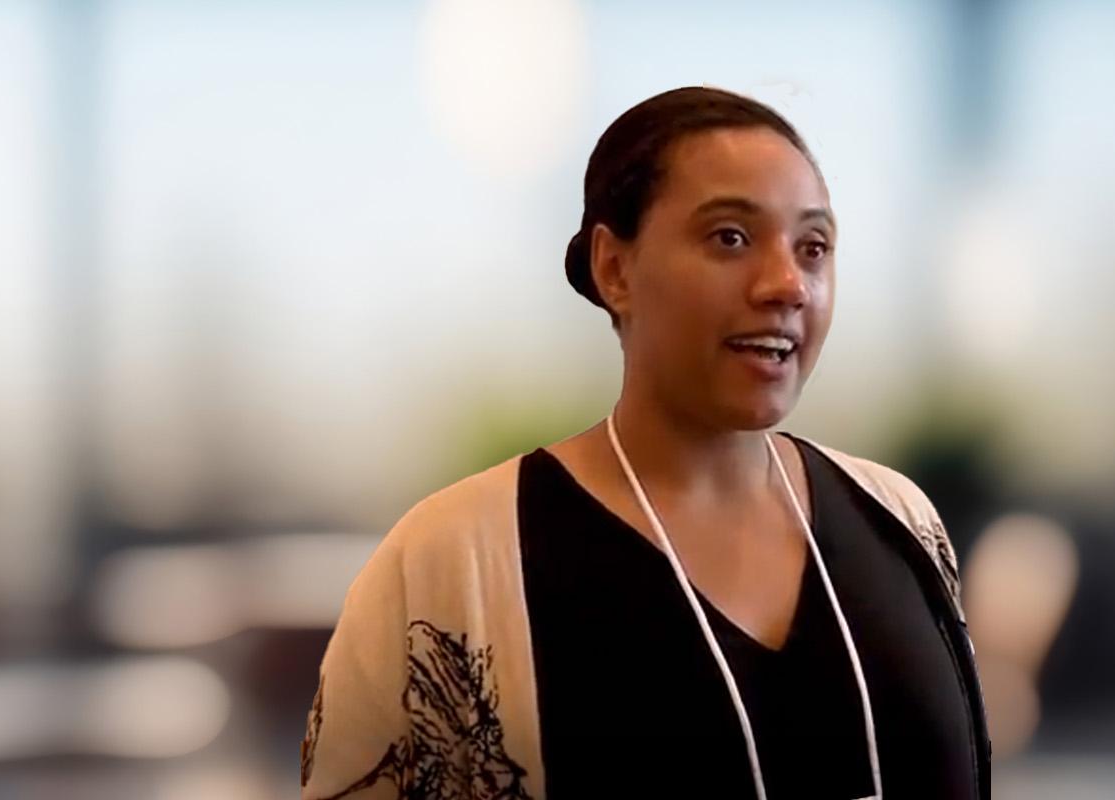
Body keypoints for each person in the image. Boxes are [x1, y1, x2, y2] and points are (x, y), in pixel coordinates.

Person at [301, 86, 988, 800]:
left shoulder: (900, 520)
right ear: (614, 268)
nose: (787, 284)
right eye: (730, 237)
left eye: (812, 247)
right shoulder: (453, 559)